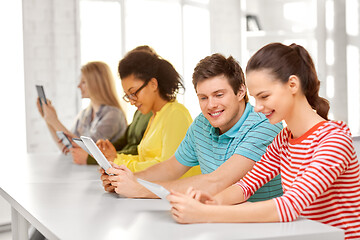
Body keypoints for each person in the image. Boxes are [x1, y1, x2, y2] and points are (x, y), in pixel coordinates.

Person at [167, 43, 360, 239]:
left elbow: (289, 206)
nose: (257, 107)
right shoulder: (284, 140)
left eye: (264, 96)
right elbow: (245, 186)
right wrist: (211, 202)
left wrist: (206, 214)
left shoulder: (334, 140)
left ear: (292, 85)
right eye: (255, 98)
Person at [101, 53, 283, 200]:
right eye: (203, 97)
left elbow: (217, 182)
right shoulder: (202, 124)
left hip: (261, 227)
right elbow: (171, 168)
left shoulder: (264, 125)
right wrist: (125, 181)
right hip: (215, 219)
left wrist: (140, 189)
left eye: (219, 95)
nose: (210, 105)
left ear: (241, 91)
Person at [98, 50, 200, 177]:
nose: (131, 101)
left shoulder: (176, 114)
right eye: (128, 96)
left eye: (134, 93)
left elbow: (168, 167)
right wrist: (114, 158)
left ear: (153, 84)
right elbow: (144, 160)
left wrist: (118, 163)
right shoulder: (155, 117)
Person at [36, 61, 127, 164]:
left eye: (83, 82)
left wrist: (54, 120)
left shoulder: (113, 115)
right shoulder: (85, 114)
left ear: (96, 84)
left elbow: (89, 151)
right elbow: (67, 147)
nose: (79, 86)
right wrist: (48, 119)